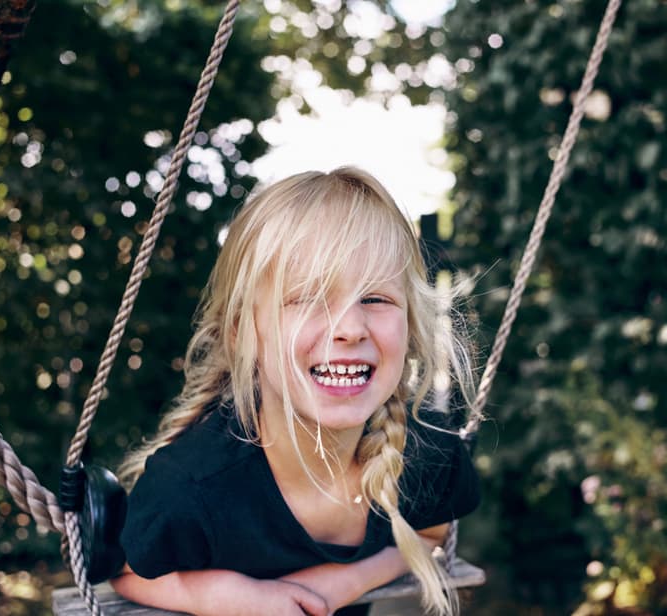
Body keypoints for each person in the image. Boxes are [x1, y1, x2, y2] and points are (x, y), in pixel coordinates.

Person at [111, 167, 480, 616]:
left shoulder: (427, 453)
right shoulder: (190, 486)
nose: (349, 328)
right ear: (241, 334)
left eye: (375, 299)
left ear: (411, 325)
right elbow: (124, 566)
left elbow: (431, 535)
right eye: (310, 297)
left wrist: (345, 581)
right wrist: (226, 597)